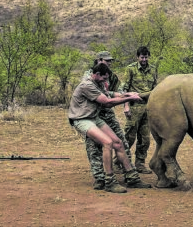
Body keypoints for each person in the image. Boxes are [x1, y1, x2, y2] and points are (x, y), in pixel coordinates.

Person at [67, 63, 145, 193]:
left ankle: (132, 178)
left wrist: (126, 94)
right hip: (82, 119)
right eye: (104, 78)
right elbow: (107, 102)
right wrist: (131, 98)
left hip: (93, 117)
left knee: (118, 143)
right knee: (107, 143)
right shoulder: (87, 85)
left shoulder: (98, 83)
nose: (105, 81)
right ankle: (110, 181)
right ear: (97, 74)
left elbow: (109, 94)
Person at [83, 51, 151, 190]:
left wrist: (126, 100)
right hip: (92, 114)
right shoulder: (88, 75)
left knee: (122, 143)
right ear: (98, 60)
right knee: (94, 147)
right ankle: (100, 178)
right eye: (106, 60)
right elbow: (104, 98)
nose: (109, 63)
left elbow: (117, 92)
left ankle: (130, 176)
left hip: (107, 114)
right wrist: (128, 98)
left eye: (110, 60)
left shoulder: (111, 76)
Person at [121, 46, 158, 174]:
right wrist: (126, 106)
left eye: (146, 57)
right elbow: (124, 89)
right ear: (137, 57)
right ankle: (119, 162)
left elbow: (155, 90)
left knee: (145, 139)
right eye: (142, 57)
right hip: (134, 107)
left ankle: (140, 164)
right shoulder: (130, 69)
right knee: (128, 137)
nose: (144, 59)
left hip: (148, 109)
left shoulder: (153, 70)